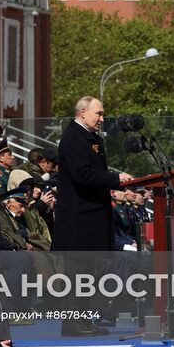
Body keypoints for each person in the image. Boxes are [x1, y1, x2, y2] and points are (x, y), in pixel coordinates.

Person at [51, 95, 133, 253]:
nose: (102, 119)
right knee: (82, 275)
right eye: (99, 114)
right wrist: (116, 178)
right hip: (81, 225)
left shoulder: (90, 138)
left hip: (94, 221)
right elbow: (82, 175)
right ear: (83, 112)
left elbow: (95, 172)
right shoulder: (73, 138)